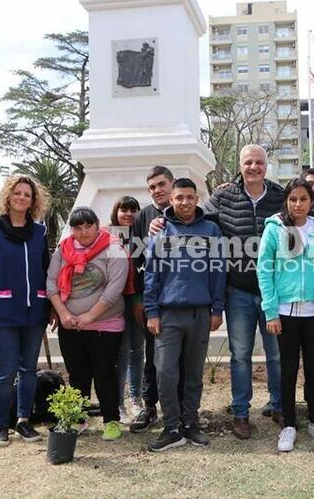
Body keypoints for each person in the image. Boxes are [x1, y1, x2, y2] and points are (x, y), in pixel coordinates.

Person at [203, 144, 284, 439]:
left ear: (266, 166)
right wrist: (163, 219)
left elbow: (303, 218)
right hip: (238, 289)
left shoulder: (279, 195)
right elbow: (199, 218)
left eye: (259, 162)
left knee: (276, 354)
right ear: (240, 165)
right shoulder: (224, 195)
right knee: (240, 355)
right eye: (248, 162)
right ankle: (240, 413)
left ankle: (279, 405)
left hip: (274, 290)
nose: (254, 167)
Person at [143, 178, 226, 451]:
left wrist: (217, 308)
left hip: (200, 313)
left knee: (193, 373)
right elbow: (152, 276)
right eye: (179, 198)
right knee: (165, 373)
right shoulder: (160, 232)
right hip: (167, 315)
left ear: (197, 198)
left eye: (190, 197)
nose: (185, 202)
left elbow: (218, 271)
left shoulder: (211, 230)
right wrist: (151, 311)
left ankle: (190, 424)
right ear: (172, 199)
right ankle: (172, 427)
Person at [257, 178, 314, 452]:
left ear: (312, 201)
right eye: (293, 199)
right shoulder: (275, 228)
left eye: (303, 199)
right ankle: (289, 424)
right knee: (288, 369)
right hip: (285, 312)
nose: (298, 204)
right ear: (287, 201)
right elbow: (264, 271)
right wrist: (270, 311)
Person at [0, 174, 51, 447]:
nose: (22, 197)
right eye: (17, 192)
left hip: (35, 312)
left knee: (29, 369)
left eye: (27, 194)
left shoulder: (40, 232)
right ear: (8, 196)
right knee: (7, 370)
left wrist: (51, 307)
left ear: (33, 201)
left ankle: (23, 421)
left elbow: (46, 271)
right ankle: (1, 426)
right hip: (2, 311)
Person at [47, 207, 129, 441]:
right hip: (70, 326)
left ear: (97, 225)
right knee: (77, 375)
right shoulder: (63, 250)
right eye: (78, 227)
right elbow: (51, 282)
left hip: (105, 325)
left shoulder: (113, 249)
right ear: (71, 229)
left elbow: (115, 288)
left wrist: (91, 316)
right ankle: (77, 418)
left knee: (105, 374)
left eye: (88, 226)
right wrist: (63, 313)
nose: (83, 232)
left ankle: (111, 420)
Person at [130, 166, 184, 433]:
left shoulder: (189, 211)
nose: (157, 190)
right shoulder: (143, 217)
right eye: (152, 187)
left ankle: (184, 408)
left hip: (185, 299)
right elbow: (136, 261)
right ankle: (150, 406)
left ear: (172, 184)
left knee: (184, 358)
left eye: (161, 184)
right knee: (153, 357)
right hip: (155, 302)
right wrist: (140, 300)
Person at [109, 195, 144, 424]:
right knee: (121, 354)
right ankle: (118, 404)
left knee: (137, 351)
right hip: (115, 302)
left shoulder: (142, 235)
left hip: (139, 299)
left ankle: (136, 400)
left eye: (133, 210)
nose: (129, 214)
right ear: (116, 212)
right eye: (124, 210)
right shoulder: (107, 237)